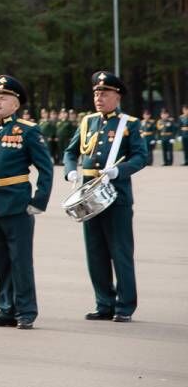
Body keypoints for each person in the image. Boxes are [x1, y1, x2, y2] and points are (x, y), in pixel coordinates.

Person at [0, 75, 53, 330]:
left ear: (16, 104)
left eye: (4, 97)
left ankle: (26, 310)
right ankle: (6, 308)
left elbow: (45, 169)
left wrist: (39, 200)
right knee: (0, 261)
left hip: (17, 204)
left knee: (21, 261)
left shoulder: (27, 130)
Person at [62, 71, 148, 322]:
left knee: (120, 250)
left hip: (116, 195)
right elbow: (70, 152)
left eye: (105, 93)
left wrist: (119, 170)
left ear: (117, 96)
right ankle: (104, 303)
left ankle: (125, 306)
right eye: (97, 93)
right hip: (88, 194)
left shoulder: (128, 124)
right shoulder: (87, 122)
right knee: (95, 251)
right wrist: (70, 172)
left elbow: (141, 157)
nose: (99, 97)